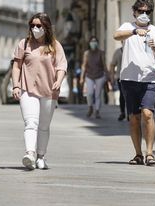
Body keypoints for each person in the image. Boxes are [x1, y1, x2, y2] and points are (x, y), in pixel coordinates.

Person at [113, 0, 155, 166]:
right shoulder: (127, 27)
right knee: (134, 118)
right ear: (134, 12)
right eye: (141, 11)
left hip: (149, 78)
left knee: (148, 114)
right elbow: (116, 35)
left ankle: (149, 153)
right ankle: (138, 154)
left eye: (147, 12)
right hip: (129, 79)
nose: (144, 14)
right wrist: (135, 32)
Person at [11, 12, 67, 170]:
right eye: (32, 25)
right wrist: (15, 85)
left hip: (49, 90)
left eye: (38, 26)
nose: (35, 28)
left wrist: (58, 80)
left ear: (46, 27)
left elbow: (62, 66)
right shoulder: (24, 44)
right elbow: (16, 66)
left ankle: (41, 156)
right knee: (31, 123)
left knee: (44, 126)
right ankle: (29, 153)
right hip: (27, 89)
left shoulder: (55, 45)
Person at [80, 36, 108, 119]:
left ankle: (97, 111)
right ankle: (90, 107)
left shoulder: (101, 53)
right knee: (89, 93)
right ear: (89, 43)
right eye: (92, 41)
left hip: (99, 75)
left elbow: (104, 65)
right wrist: (82, 77)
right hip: (89, 76)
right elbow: (84, 66)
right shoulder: (86, 53)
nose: (93, 43)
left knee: (97, 94)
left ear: (97, 43)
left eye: (95, 41)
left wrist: (108, 76)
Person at [109, 43, 127, 121]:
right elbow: (112, 65)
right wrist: (112, 77)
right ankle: (122, 112)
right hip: (121, 78)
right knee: (123, 95)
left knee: (130, 96)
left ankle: (131, 113)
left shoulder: (134, 51)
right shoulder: (118, 52)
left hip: (133, 77)